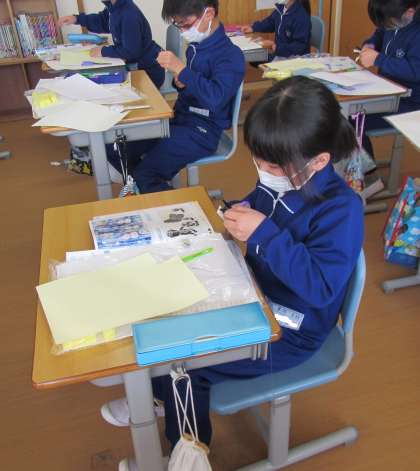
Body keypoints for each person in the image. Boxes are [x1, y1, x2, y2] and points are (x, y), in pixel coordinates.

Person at [100, 77, 365, 450]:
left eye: (272, 166)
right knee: (167, 318)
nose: (263, 172)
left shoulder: (341, 210)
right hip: (252, 292)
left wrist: (263, 234)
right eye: (258, 161)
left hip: (290, 329)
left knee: (185, 363)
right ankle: (159, 396)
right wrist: (239, 211)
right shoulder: (284, 179)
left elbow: (320, 287)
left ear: (319, 161)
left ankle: (187, 452)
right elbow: (260, 201)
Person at [113, 0, 245, 194]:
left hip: (203, 131)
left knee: (145, 174)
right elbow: (192, 85)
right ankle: (144, 184)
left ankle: (165, 196)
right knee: (117, 147)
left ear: (209, 14)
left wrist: (182, 71)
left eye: (186, 24)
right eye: (178, 25)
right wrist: (180, 82)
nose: (183, 31)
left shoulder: (231, 55)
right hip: (180, 119)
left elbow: (216, 99)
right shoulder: (196, 46)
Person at [358, 0, 420, 157]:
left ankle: (365, 170)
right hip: (386, 91)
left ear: (410, 12)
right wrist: (370, 45)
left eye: (390, 24)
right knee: (342, 113)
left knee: (352, 120)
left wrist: (378, 59)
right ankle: (359, 166)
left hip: (410, 103)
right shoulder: (395, 17)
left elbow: (416, 70)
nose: (387, 28)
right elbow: (380, 33)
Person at [57, 0, 165, 88]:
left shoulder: (129, 15)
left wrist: (103, 51)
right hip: (134, 64)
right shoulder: (114, 7)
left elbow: (131, 51)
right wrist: (77, 19)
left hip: (147, 71)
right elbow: (102, 21)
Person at [240, 0, 311, 60]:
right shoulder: (281, 8)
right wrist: (253, 28)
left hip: (293, 59)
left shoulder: (301, 17)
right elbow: (270, 22)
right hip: (279, 53)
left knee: (248, 56)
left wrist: (275, 46)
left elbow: (300, 46)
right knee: (246, 56)